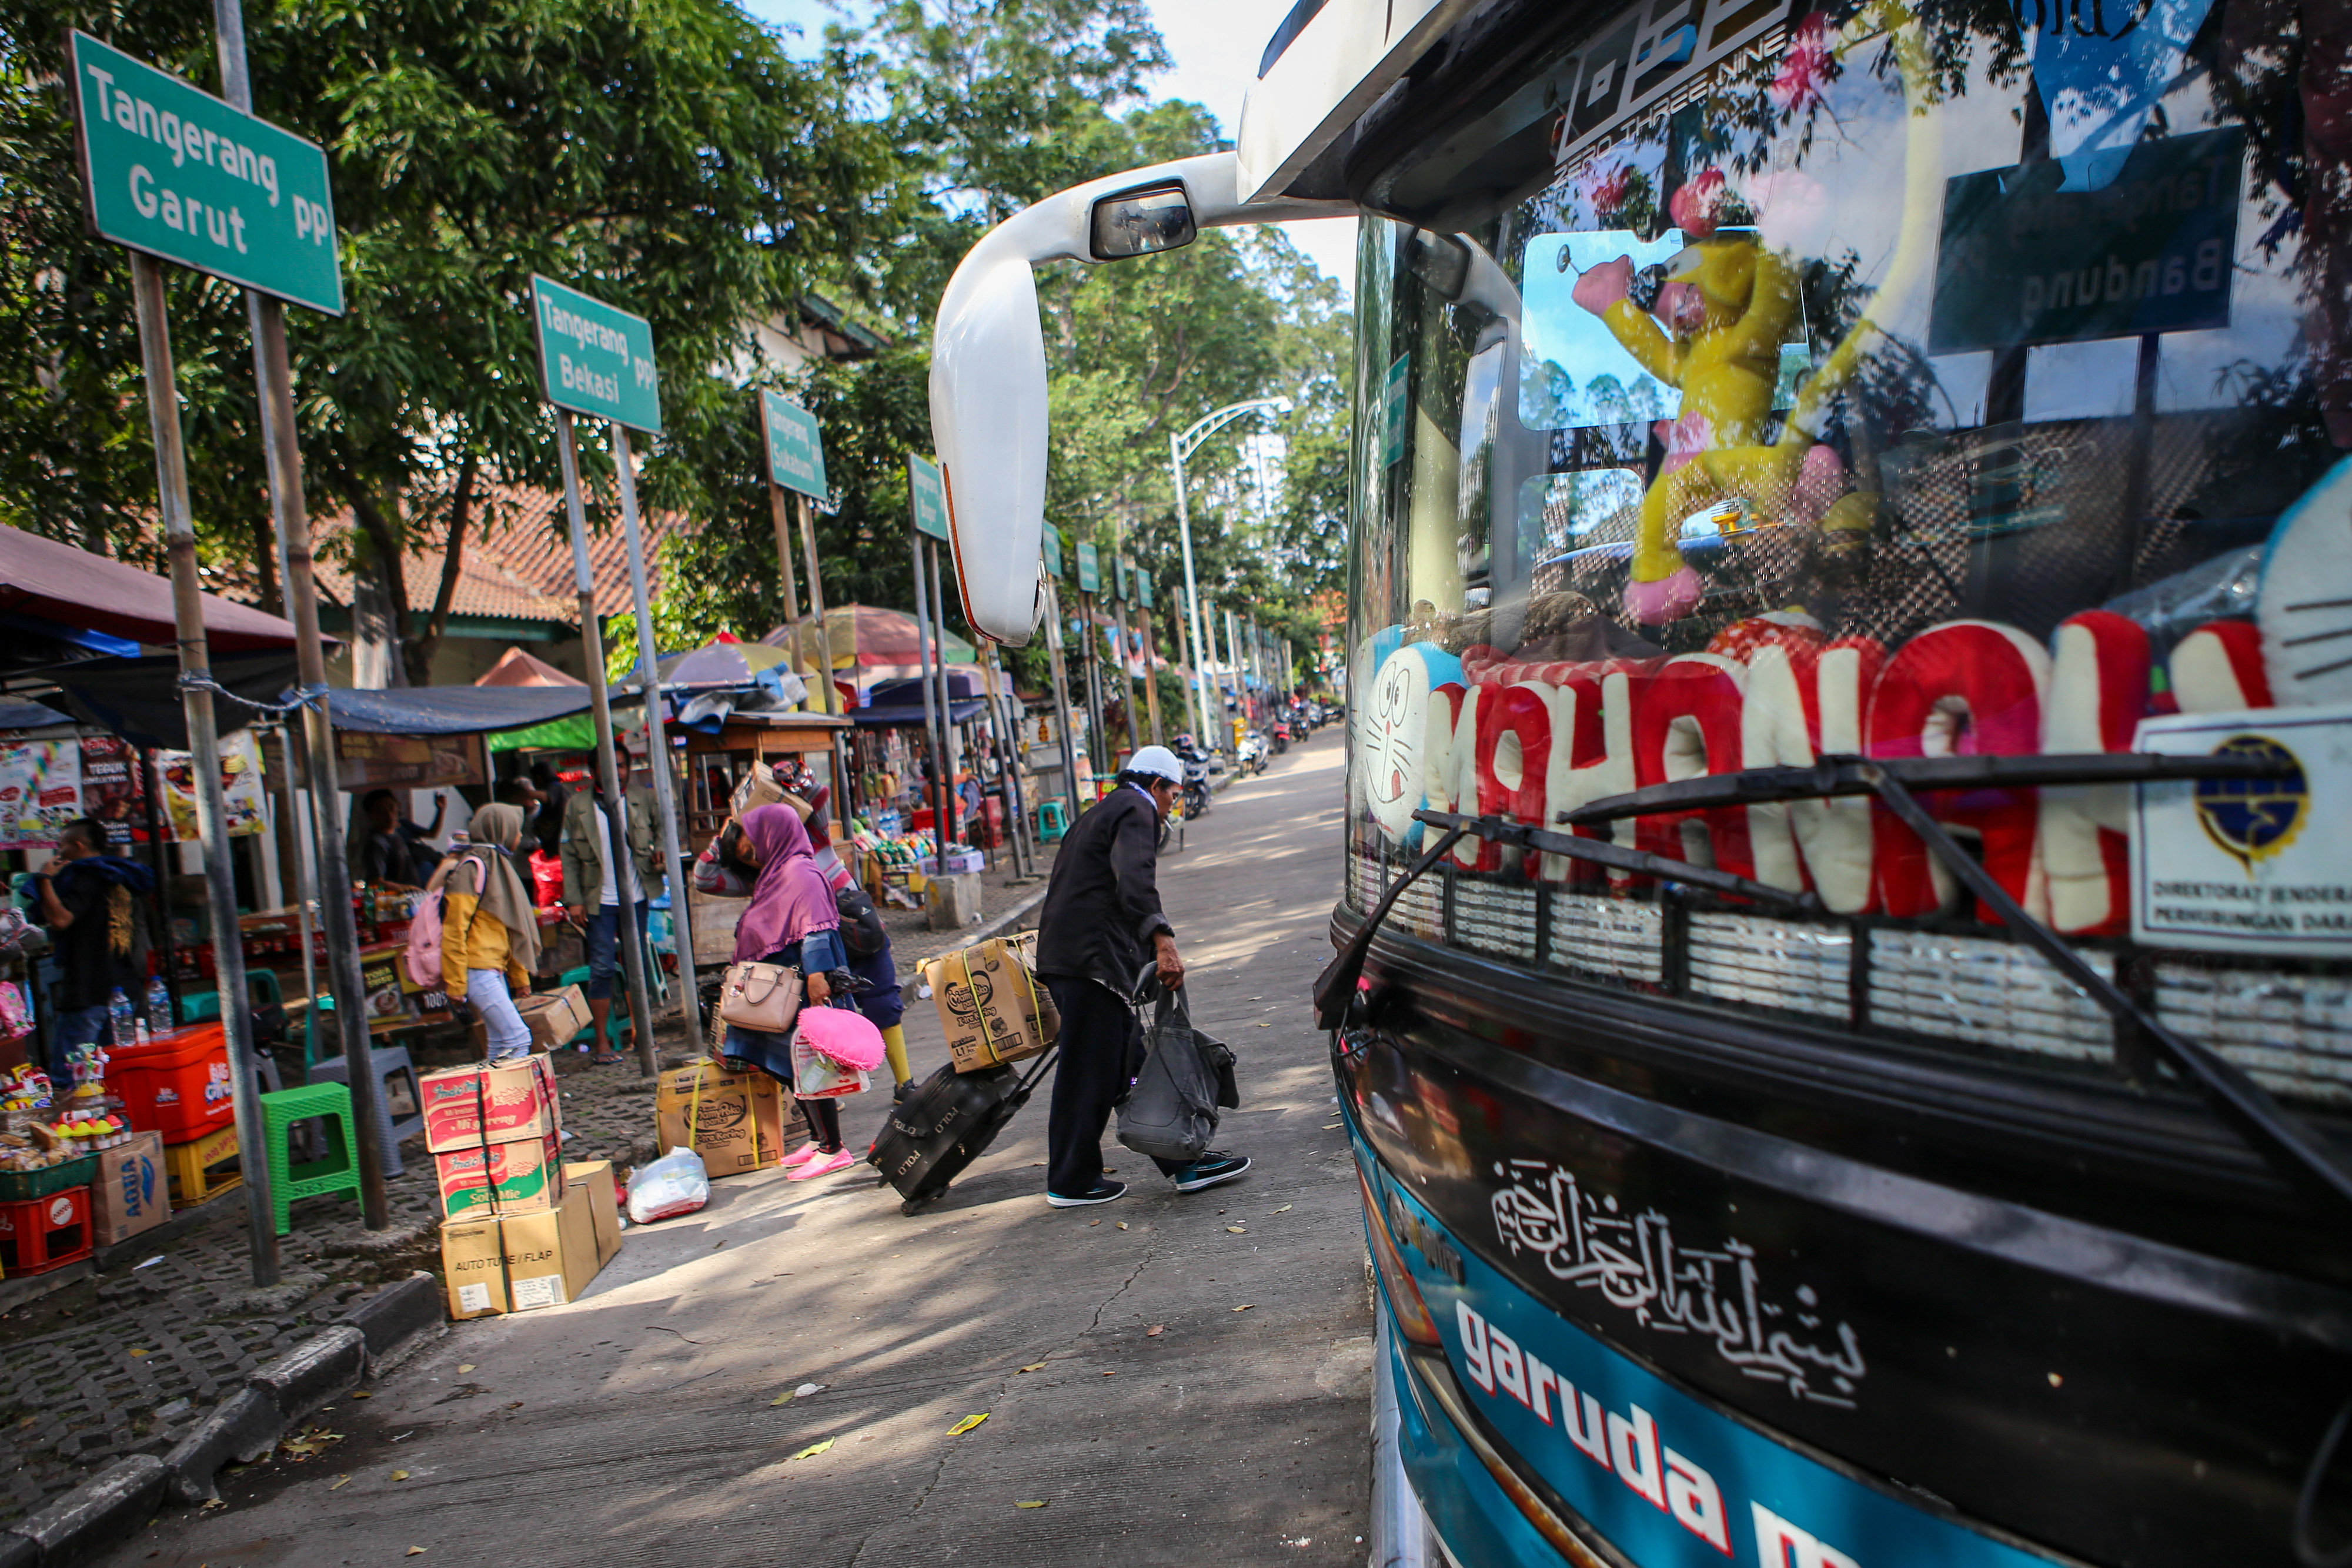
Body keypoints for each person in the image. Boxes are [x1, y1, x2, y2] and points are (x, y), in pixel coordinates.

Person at [1031, 744, 1247, 1208]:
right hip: (1090, 964)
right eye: (1174, 793)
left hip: (1076, 961)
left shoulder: (1101, 810)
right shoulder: (1136, 808)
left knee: (1132, 1066)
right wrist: (1163, 941)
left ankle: (1185, 1161)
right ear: (1155, 786)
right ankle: (1070, 1181)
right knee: (1089, 1074)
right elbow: (1135, 879)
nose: (1175, 803)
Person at [722, 804, 855, 1180]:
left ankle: (833, 1147)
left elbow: (816, 928)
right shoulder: (774, 874)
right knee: (786, 1063)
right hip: (773, 989)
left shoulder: (800, 872)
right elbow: (707, 873)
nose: (746, 848)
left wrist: (817, 978)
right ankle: (817, 1139)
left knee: (807, 1064)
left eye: (749, 839)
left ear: (773, 832)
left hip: (797, 986)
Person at [560, 743, 662, 1065]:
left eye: (621, 765)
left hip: (637, 895)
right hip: (598, 900)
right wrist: (573, 900)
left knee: (637, 966)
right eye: (609, 765)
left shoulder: (641, 798)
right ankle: (602, 1042)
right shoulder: (577, 806)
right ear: (594, 771)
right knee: (602, 968)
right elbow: (569, 857)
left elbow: (663, 830)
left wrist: (659, 848)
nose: (616, 771)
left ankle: (641, 1034)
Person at [32, 818, 153, 1076]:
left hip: (89, 990)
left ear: (77, 846)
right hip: (125, 988)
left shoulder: (83, 876)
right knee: (116, 1070)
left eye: (61, 845)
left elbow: (60, 919)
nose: (58, 852)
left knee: (73, 1074)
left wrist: (43, 879)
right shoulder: (122, 875)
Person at [438, 804, 542, 1062]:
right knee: (519, 1039)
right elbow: (454, 930)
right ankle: (513, 1099)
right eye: (516, 830)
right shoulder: (473, 869)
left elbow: (511, 928)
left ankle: (492, 1100)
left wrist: (520, 978)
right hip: (477, 971)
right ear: (502, 831)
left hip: (493, 971)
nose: (519, 837)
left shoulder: (499, 868)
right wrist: (455, 984)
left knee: (498, 1044)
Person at [834, 882, 912, 1099]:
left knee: (884, 1002)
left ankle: (905, 1084)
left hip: (855, 919)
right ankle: (824, 1095)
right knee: (828, 1012)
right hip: (810, 931)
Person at [349, 788, 445, 888]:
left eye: (391, 808)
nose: (389, 815)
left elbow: (432, 834)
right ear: (371, 815)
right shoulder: (377, 843)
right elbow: (376, 882)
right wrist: (407, 889)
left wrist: (441, 810)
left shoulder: (401, 826)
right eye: (381, 811)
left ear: (397, 806)